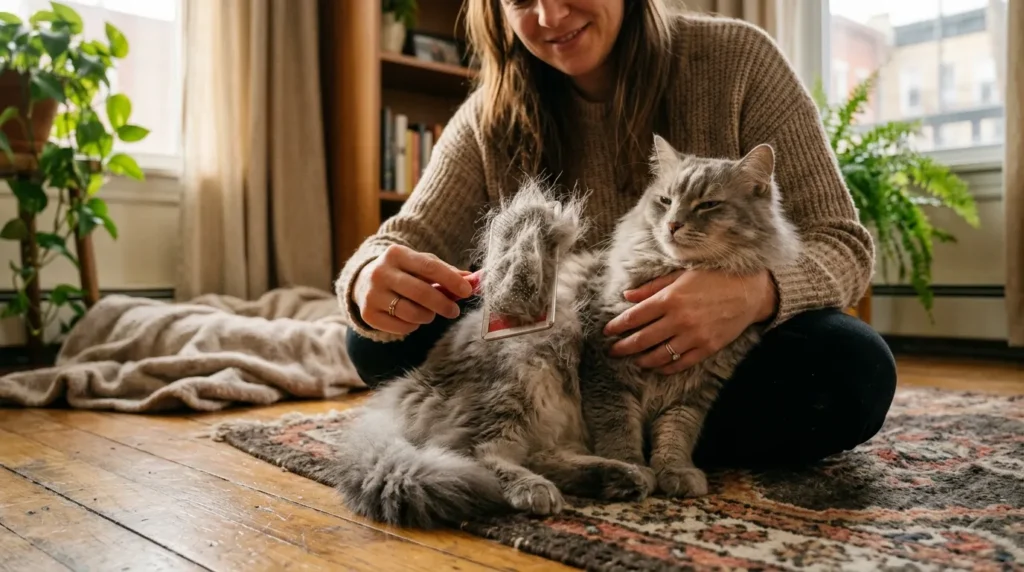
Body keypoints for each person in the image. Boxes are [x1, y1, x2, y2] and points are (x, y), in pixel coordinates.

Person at [335, 0, 897, 468]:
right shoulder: (489, 115)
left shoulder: (738, 59)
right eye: (521, 1)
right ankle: (572, 432)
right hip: (553, 356)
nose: (551, 15)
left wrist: (753, 294)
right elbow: (403, 239)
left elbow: (842, 240)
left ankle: (577, 442)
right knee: (376, 338)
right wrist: (369, 277)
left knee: (852, 369)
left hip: (716, 356)